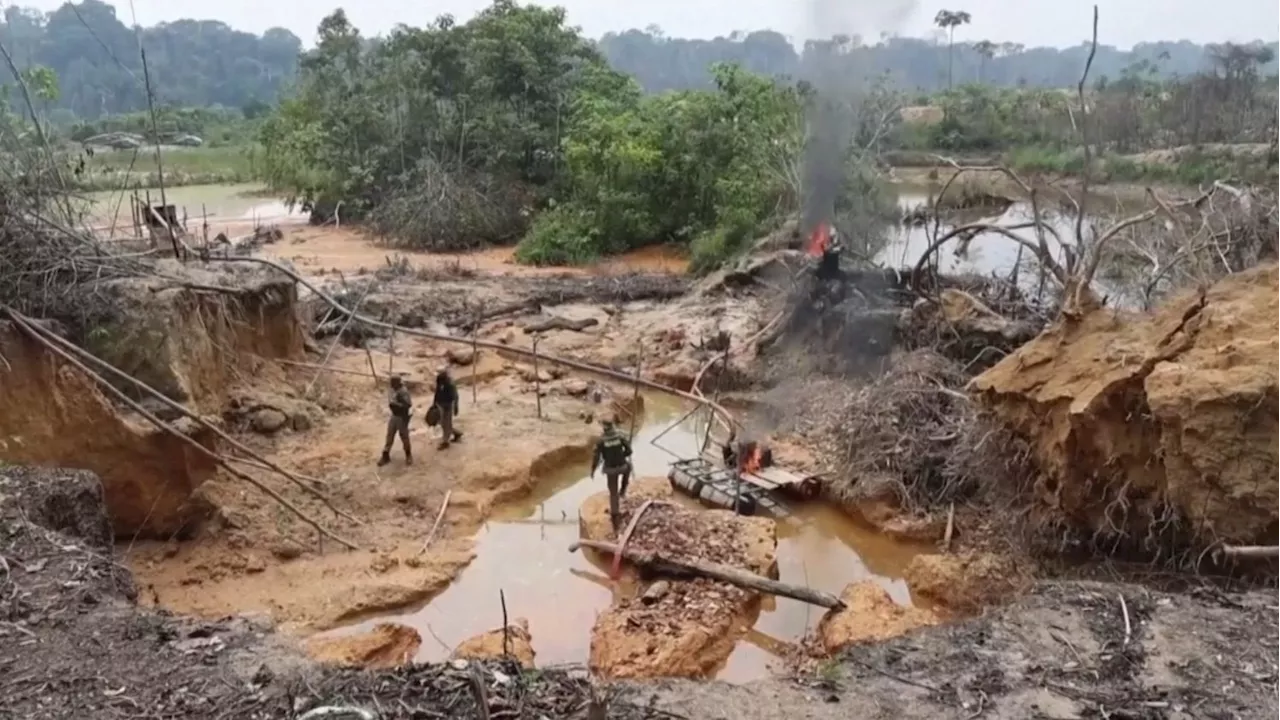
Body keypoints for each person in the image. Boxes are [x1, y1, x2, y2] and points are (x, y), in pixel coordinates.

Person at [590, 418, 633, 531]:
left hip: (610, 469)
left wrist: (593, 470)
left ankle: (615, 518)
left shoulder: (601, 441)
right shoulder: (621, 436)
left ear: (604, 428)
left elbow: (596, 458)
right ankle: (623, 490)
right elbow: (629, 451)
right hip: (622, 466)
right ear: (613, 426)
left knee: (613, 493)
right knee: (628, 467)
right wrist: (621, 456)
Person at [378, 375, 412, 466]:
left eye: (393, 383)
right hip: (394, 415)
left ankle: (408, 455)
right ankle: (385, 455)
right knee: (389, 435)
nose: (391, 385)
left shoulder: (403, 392)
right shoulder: (392, 390)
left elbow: (408, 405)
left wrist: (398, 404)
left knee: (404, 436)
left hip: (402, 416)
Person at [432, 369, 463, 449]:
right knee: (442, 423)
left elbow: (455, 396)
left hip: (448, 405)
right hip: (440, 404)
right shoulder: (439, 380)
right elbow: (437, 391)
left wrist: (456, 407)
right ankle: (456, 433)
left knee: (446, 423)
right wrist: (434, 403)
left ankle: (445, 442)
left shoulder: (450, 384)